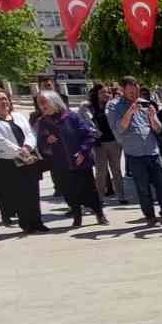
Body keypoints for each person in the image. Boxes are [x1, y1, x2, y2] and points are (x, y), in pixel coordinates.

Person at [0, 89, 47, 233]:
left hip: (30, 158)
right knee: (19, 194)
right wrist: (21, 152)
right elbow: (1, 141)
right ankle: (26, 223)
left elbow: (30, 133)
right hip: (11, 162)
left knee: (33, 192)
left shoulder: (18, 116)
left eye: (5, 98)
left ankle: (37, 222)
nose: (4, 102)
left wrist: (27, 147)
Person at [35, 91, 106, 228]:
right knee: (69, 192)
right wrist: (47, 141)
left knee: (89, 190)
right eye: (39, 103)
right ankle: (77, 216)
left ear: (53, 101)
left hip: (80, 161)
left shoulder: (71, 116)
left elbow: (88, 135)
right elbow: (41, 145)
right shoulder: (43, 122)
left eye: (44, 102)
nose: (42, 106)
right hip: (61, 165)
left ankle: (99, 214)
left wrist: (83, 152)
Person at [107, 77, 162, 226]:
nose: (135, 94)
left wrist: (152, 117)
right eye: (131, 92)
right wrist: (130, 111)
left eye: (136, 91)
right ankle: (150, 217)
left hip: (153, 151)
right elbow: (118, 129)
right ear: (123, 90)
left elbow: (158, 128)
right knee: (143, 189)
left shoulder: (145, 103)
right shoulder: (114, 106)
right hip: (134, 154)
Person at [85, 83, 126, 203]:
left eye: (108, 92)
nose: (106, 94)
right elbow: (86, 123)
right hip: (99, 144)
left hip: (114, 142)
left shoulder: (113, 106)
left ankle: (121, 196)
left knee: (116, 170)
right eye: (102, 92)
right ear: (96, 94)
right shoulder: (90, 107)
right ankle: (99, 198)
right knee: (100, 172)